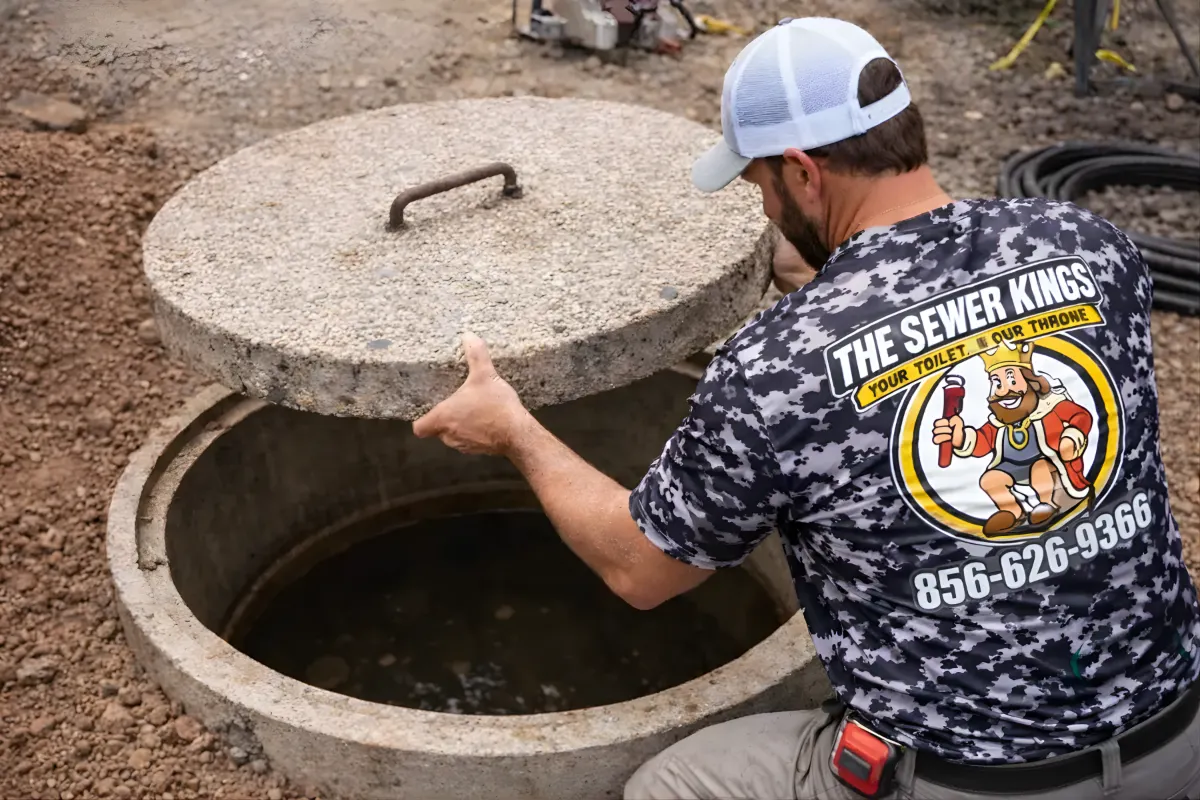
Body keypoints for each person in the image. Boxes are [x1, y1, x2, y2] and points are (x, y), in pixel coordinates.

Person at [413, 16, 1200, 800]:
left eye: (759, 184)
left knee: (666, 787)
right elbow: (947, 326)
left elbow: (638, 569)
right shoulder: (1091, 247)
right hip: (1178, 737)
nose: (763, 208)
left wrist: (514, 430)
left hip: (971, 784)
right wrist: (831, 285)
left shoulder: (772, 370)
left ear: (801, 172)